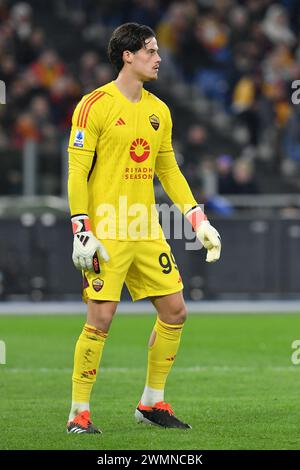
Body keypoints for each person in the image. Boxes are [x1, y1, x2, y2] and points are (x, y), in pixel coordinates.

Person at [67, 23, 221, 434]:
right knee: (101, 318)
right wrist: (81, 226)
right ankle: (78, 412)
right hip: (107, 231)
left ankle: (151, 402)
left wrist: (197, 218)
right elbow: (77, 171)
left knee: (175, 311)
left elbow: (168, 170)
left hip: (147, 230)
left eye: (157, 51)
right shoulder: (93, 105)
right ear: (127, 56)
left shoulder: (159, 111)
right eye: (150, 51)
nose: (158, 58)